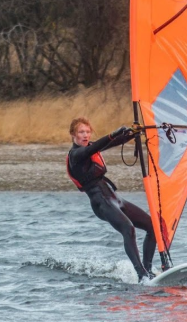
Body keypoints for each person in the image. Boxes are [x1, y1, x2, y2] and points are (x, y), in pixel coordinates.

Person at [66, 116, 157, 282]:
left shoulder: (91, 146)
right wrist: (111, 134)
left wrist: (133, 133)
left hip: (115, 198)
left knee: (153, 227)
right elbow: (92, 149)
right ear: (73, 134)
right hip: (101, 202)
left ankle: (149, 270)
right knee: (128, 230)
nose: (85, 135)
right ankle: (141, 275)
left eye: (88, 131)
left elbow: (112, 143)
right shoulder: (76, 155)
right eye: (81, 132)